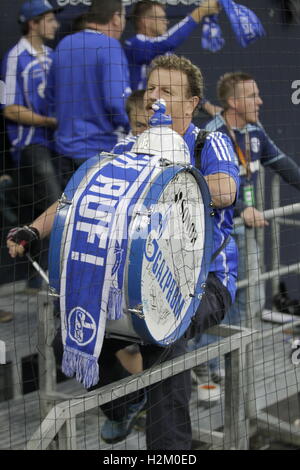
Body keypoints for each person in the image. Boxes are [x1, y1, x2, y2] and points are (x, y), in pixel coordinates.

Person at [7, 54, 239, 450]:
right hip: (132, 281)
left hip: (206, 282)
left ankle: (170, 449)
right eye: (151, 88)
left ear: (192, 103)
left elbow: (226, 190)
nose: (154, 97)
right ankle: (129, 403)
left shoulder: (208, 141)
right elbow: (76, 198)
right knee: (72, 339)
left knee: (165, 338)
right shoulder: (128, 148)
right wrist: (33, 229)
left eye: (167, 91)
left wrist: (173, 178)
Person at [191, 71, 300, 383]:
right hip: (216, 234)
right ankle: (204, 362)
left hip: (244, 229)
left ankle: (221, 355)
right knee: (213, 297)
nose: (260, 101)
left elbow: (283, 165)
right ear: (233, 102)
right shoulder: (211, 134)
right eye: (253, 96)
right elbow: (202, 185)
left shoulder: (255, 132)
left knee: (248, 297)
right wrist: (243, 208)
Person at [1, 0, 62, 292]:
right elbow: (9, 108)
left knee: (47, 206)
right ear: (32, 22)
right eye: (49, 20)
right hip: (31, 145)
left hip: (57, 142)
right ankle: (47, 277)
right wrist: (47, 120)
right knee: (55, 203)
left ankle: (40, 278)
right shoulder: (15, 58)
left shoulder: (52, 56)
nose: (55, 25)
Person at [46, 0, 131, 188]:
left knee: (66, 215)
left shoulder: (64, 44)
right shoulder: (111, 47)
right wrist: (131, 127)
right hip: (98, 153)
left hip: (64, 150)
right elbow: (115, 103)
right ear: (116, 18)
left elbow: (49, 96)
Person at [124, 0, 222, 116]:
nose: (166, 22)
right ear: (146, 21)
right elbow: (166, 43)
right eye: (161, 18)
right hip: (140, 114)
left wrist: (206, 105)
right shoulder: (135, 44)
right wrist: (200, 12)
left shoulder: (164, 50)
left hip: (164, 114)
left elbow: (178, 84)